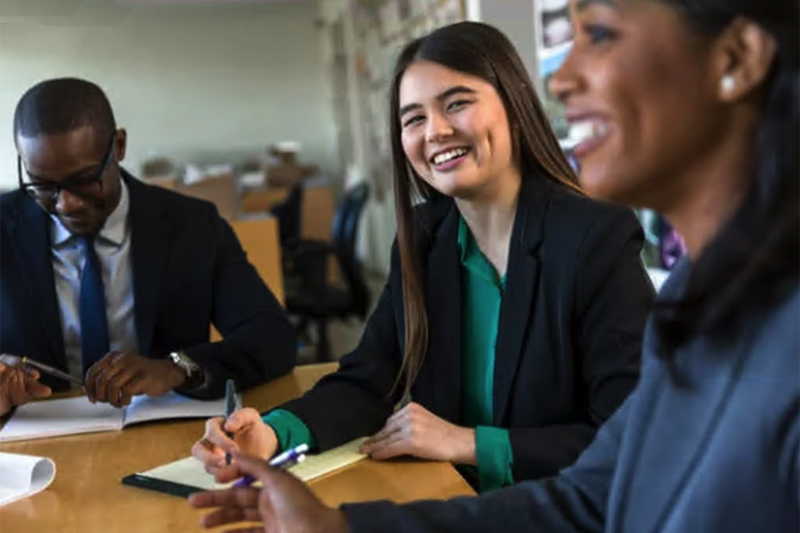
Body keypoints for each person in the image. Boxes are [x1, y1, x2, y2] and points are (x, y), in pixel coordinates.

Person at [187, 0, 799, 531]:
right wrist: (325, 503)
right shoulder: (703, 290)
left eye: (603, 34)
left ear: (736, 57)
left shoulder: (607, 245)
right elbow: (593, 494)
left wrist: (467, 445)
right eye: (413, 117)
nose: (562, 80)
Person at [192, 21, 653, 493]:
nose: (436, 131)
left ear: (514, 106)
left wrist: (469, 444)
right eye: (413, 119)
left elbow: (634, 437)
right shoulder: (424, 238)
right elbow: (369, 379)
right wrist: (269, 434)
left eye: (457, 103)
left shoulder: (593, 237)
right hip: (450, 500)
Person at [0, 78, 296, 416]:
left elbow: (273, 339)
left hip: (162, 436)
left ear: (120, 146)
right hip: (38, 445)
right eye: (43, 186)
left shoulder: (193, 226)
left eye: (84, 181)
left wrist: (176, 369)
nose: (67, 204)